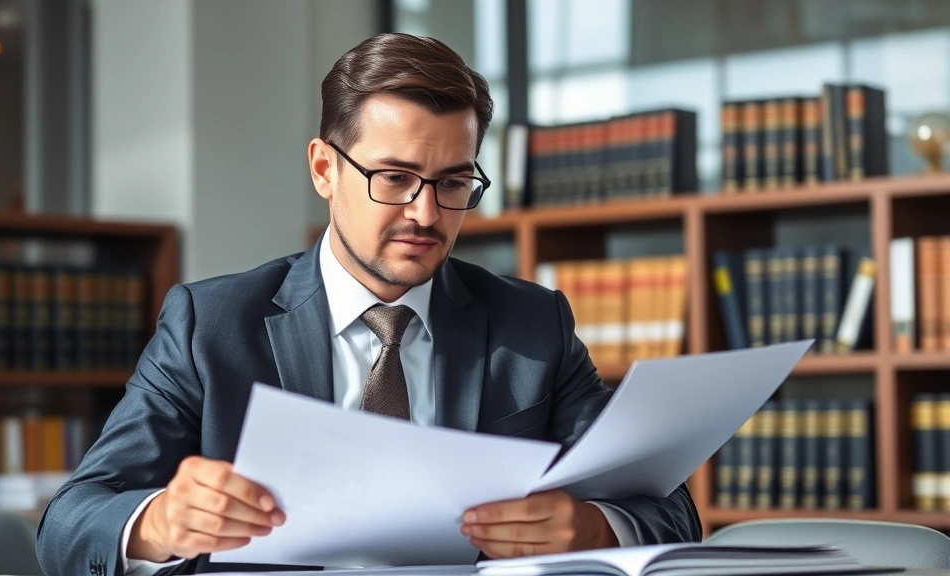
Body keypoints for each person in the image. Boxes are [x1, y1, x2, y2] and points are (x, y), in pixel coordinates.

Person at [35, 33, 701, 576]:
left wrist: (588, 527)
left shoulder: (533, 325)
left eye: (454, 182)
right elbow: (69, 523)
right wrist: (158, 523)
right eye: (395, 178)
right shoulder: (211, 326)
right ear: (325, 169)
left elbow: (668, 509)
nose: (426, 212)